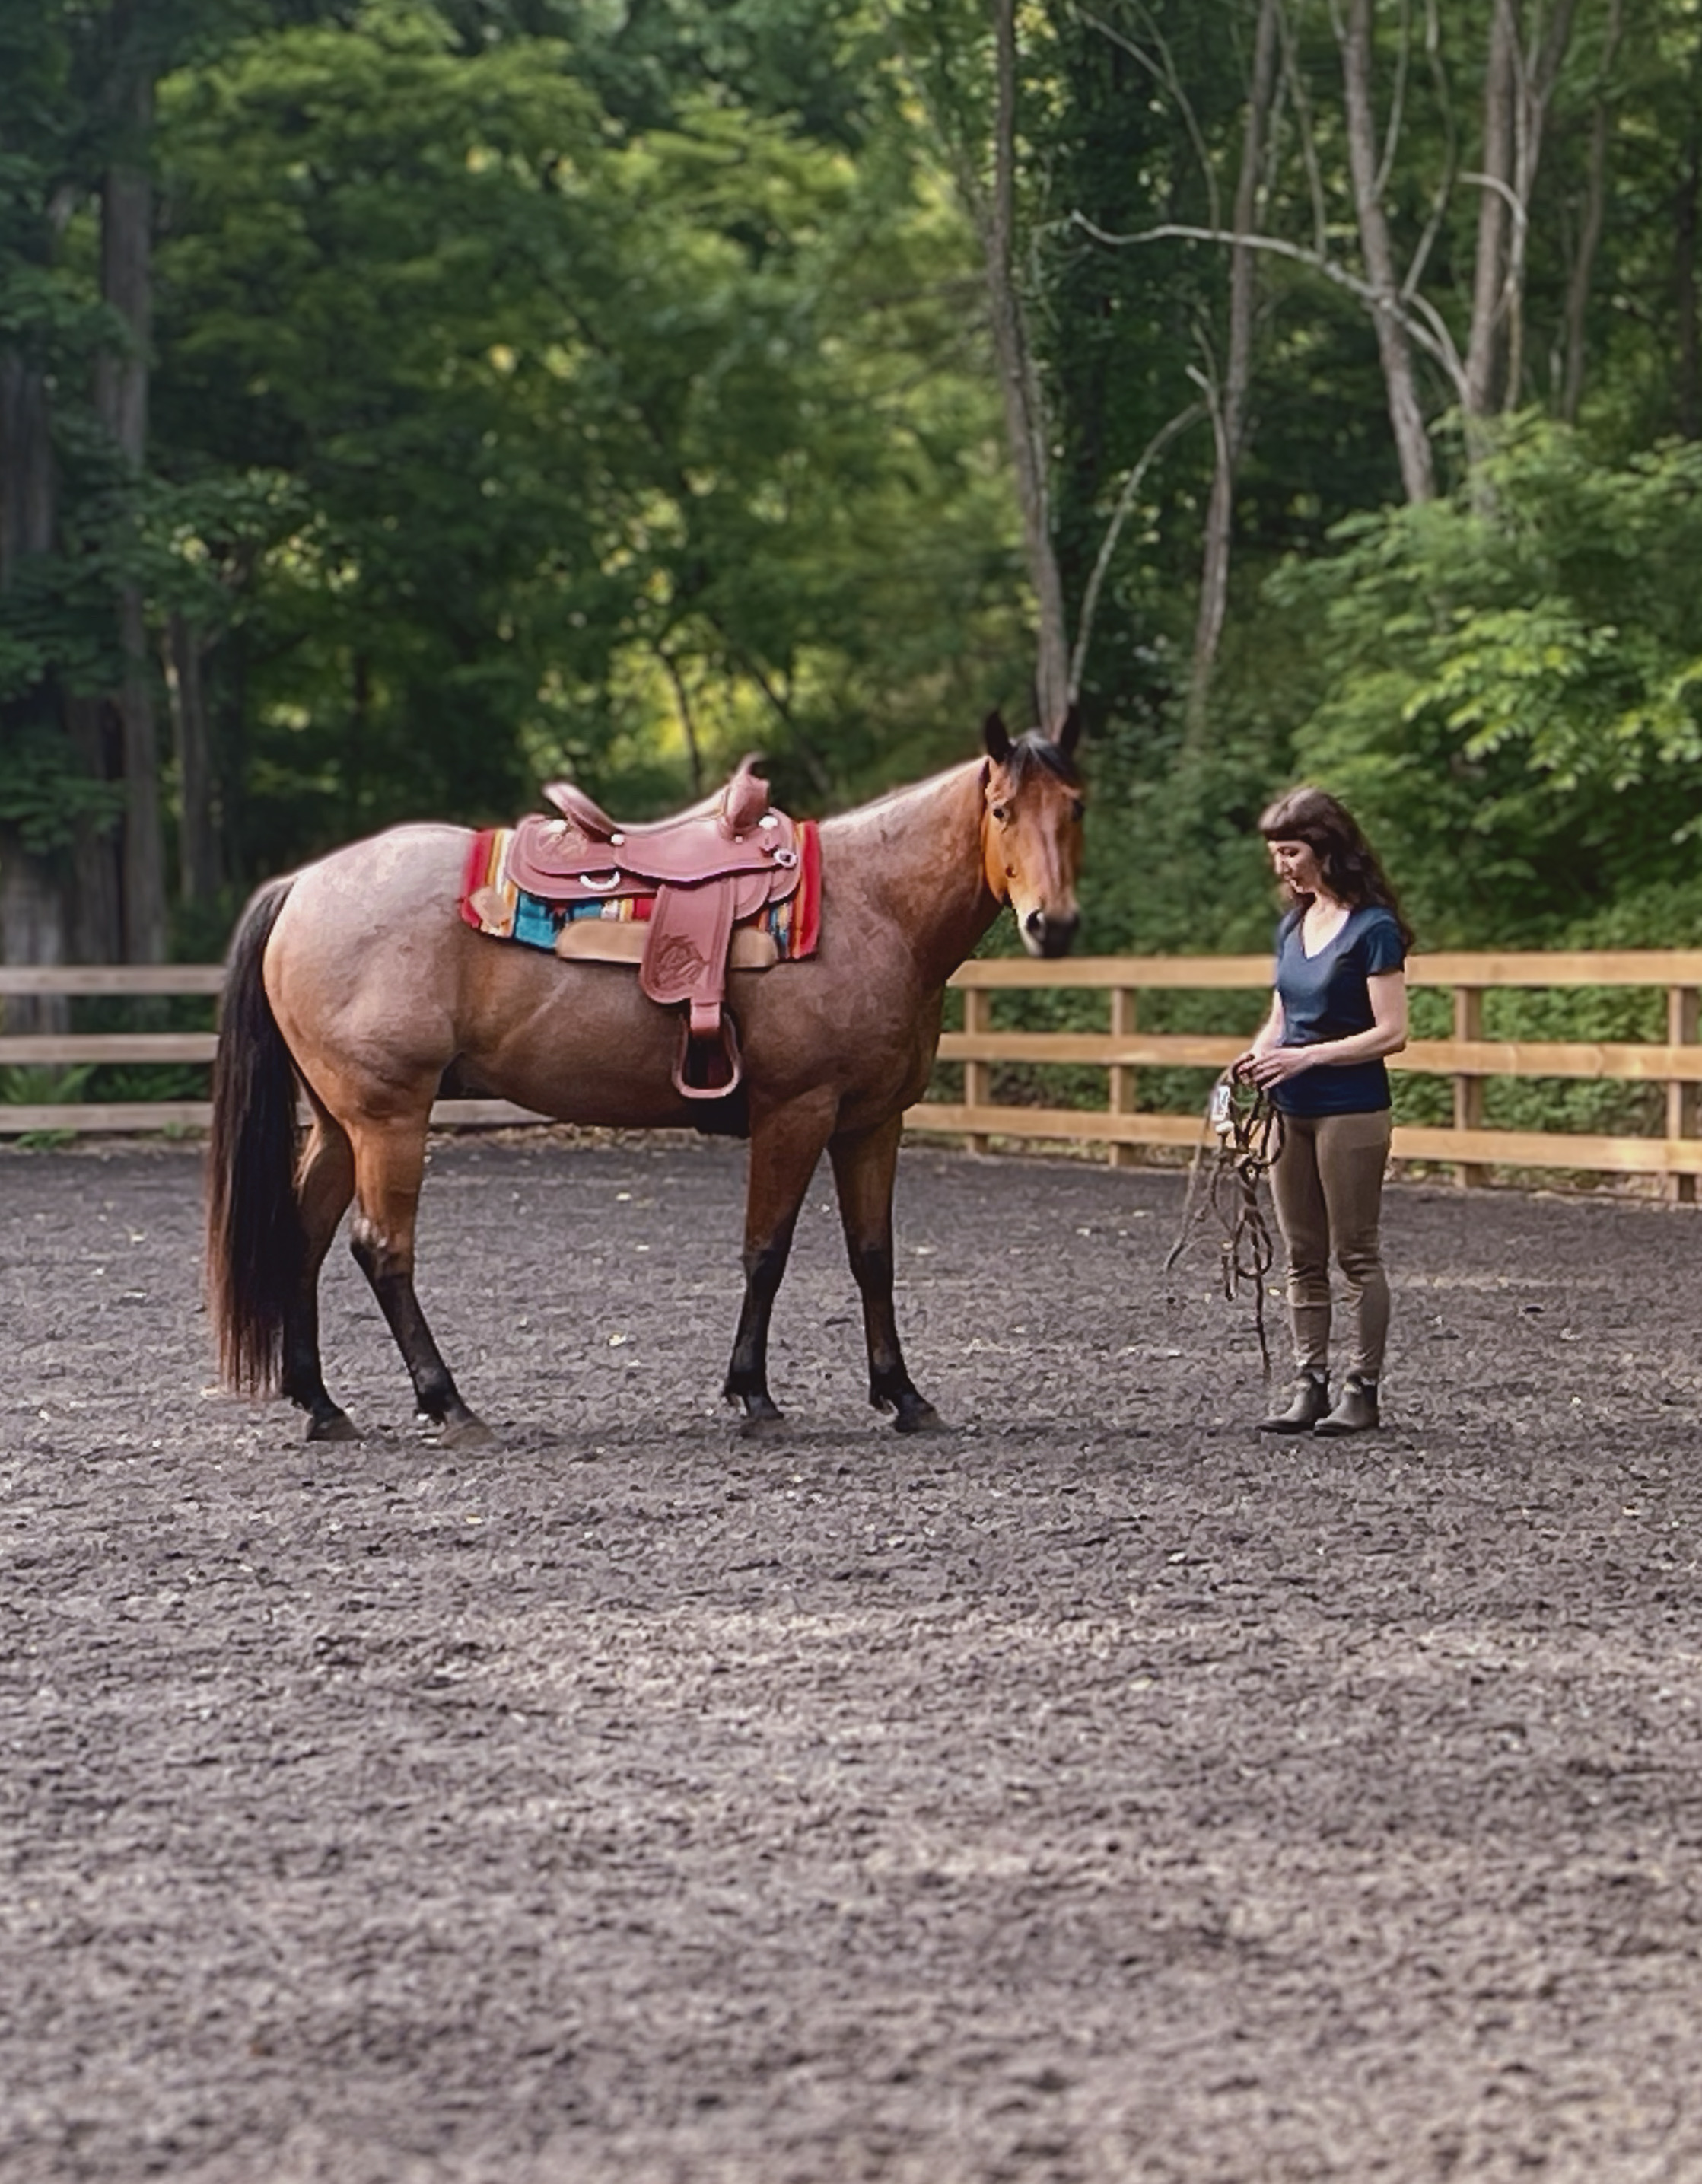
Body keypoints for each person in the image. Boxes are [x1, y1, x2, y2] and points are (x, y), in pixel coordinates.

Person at [1233, 787, 1411, 1436]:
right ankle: (1309, 1381)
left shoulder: (1373, 929)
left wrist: (1307, 1060)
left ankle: (1361, 1389)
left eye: (1290, 851)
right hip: (1289, 1109)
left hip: (1350, 1108)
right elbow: (1282, 1018)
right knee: (1300, 1255)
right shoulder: (1292, 926)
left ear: (1325, 850)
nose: (1281, 865)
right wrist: (1254, 1060)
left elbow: (1390, 1032)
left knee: (1354, 1253)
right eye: (1277, 853)